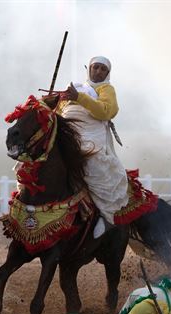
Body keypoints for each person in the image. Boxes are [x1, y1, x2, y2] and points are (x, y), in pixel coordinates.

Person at [59, 56, 129, 238]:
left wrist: (79, 98)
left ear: (107, 73)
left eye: (102, 69)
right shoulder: (76, 87)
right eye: (95, 67)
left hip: (91, 135)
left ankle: (107, 216)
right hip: (68, 133)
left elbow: (106, 111)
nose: (98, 71)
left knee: (93, 164)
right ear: (88, 69)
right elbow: (60, 111)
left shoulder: (106, 89)